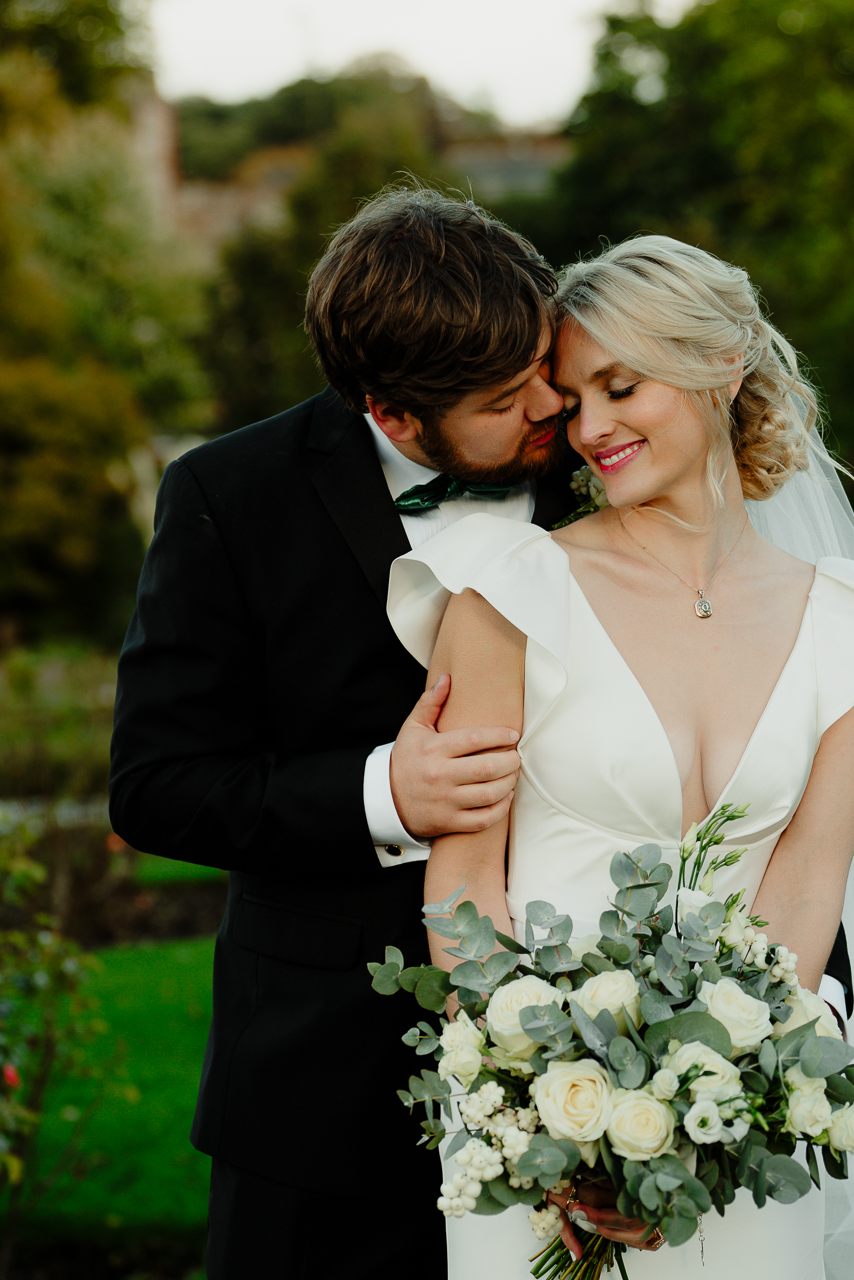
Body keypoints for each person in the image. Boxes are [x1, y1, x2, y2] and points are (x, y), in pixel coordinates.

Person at [386, 236, 854, 1277]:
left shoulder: (851, 630)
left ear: (721, 366)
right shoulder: (506, 591)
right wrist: (546, 1118)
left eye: (620, 386)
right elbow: (464, 884)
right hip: (531, 1125)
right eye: (572, 397)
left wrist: (703, 1111)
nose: (589, 429)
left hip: (740, 1123)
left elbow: (807, 888)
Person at [107, 187, 574, 1279]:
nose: (553, 404)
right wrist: (385, 796)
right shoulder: (229, 493)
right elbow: (157, 782)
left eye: (544, 364)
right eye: (509, 396)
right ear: (394, 412)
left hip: (589, 1064)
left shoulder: (599, 468)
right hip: (317, 1087)